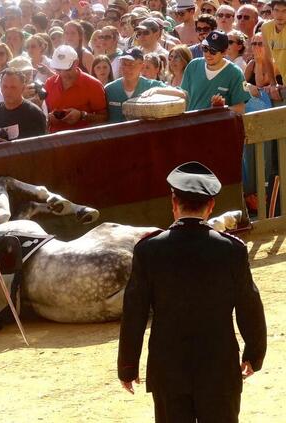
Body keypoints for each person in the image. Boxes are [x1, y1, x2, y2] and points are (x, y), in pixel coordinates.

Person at [118, 161, 267, 423]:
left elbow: (134, 313)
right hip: (219, 366)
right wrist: (254, 353)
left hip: (168, 368)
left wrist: (128, 367)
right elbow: (248, 305)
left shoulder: (149, 250)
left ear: (173, 202)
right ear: (210, 207)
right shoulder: (232, 249)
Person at [181, 30, 251, 113]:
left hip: (217, 125)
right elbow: (183, 96)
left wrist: (222, 109)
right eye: (205, 48)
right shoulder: (193, 65)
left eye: (213, 51)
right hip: (191, 123)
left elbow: (241, 109)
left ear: (224, 52)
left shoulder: (235, 73)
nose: (208, 54)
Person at [44, 45, 108, 133]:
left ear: (76, 62)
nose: (63, 73)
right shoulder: (49, 83)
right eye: (58, 70)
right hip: (55, 140)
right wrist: (49, 118)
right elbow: (44, 113)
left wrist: (82, 116)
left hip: (84, 141)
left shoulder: (93, 84)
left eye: (67, 69)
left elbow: (104, 118)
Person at [105, 48, 175, 123]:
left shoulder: (151, 85)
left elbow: (183, 94)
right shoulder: (109, 89)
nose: (127, 68)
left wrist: (157, 90)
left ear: (142, 66)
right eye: (124, 64)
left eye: (132, 64)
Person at [0, 68, 47, 143]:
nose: (8, 91)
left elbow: (42, 146)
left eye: (13, 87)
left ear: (23, 88)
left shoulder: (34, 113)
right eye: (5, 87)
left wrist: (10, 147)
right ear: (0, 87)